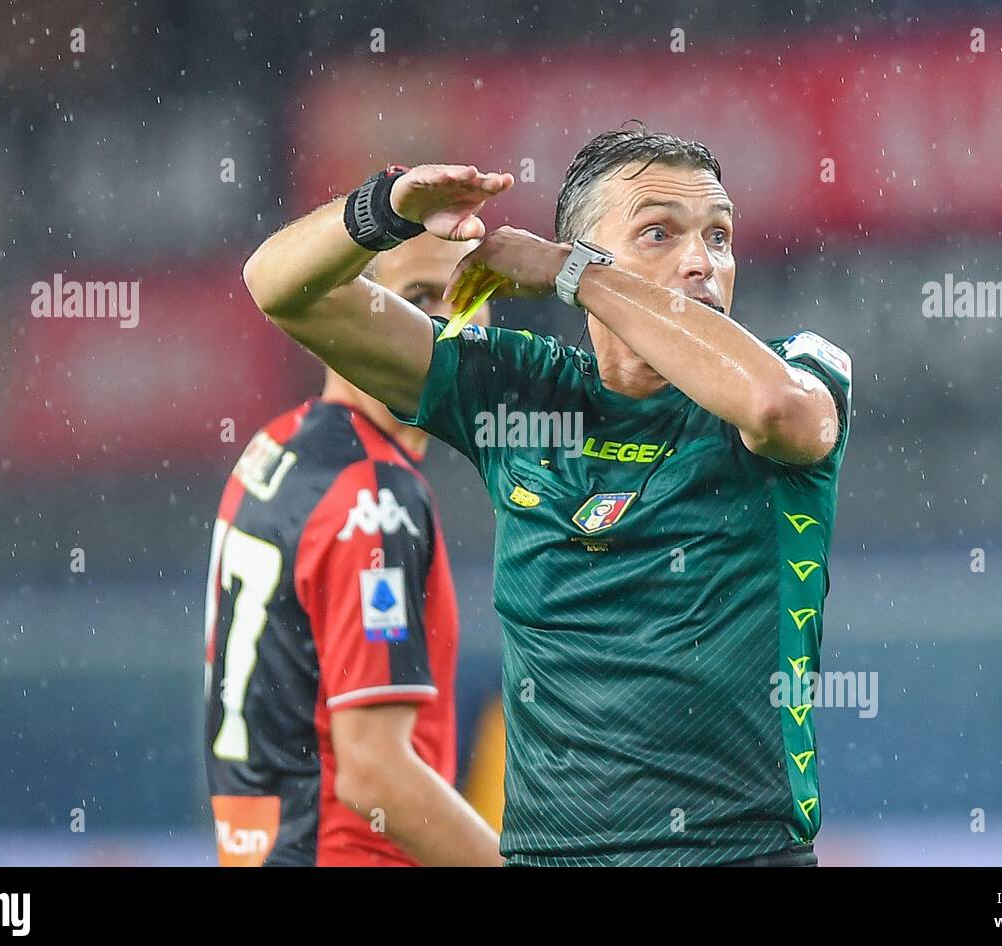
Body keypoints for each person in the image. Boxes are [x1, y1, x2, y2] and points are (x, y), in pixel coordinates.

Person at [241, 124, 853, 866]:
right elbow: (279, 290)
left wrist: (574, 273)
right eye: (659, 232)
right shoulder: (521, 391)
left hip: (739, 852)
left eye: (719, 237)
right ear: (587, 248)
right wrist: (386, 207)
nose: (702, 261)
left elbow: (776, 411)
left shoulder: (796, 369)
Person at [205, 231, 502, 866]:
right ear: (345, 313)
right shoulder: (375, 498)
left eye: (469, 298)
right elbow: (374, 777)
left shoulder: (275, 449)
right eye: (418, 296)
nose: (447, 327)